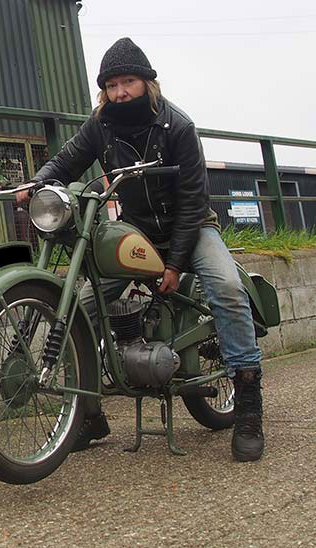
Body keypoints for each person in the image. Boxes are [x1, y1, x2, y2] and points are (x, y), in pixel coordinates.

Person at [16, 37, 264, 461]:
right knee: (83, 308)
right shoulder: (100, 124)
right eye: (112, 85)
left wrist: (175, 264)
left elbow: (192, 202)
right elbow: (68, 160)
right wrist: (36, 182)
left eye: (128, 82)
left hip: (192, 228)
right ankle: (89, 415)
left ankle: (248, 407)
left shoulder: (178, 126)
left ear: (148, 83)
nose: (120, 93)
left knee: (226, 288)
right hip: (137, 232)